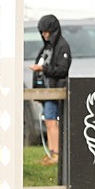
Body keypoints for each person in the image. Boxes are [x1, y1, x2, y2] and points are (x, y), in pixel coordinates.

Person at [30, 15, 71, 166]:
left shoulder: (62, 46)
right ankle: (51, 152)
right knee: (48, 121)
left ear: (53, 31)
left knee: (52, 121)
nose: (44, 35)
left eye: (46, 32)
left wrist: (44, 69)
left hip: (55, 89)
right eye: (42, 32)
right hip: (46, 90)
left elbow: (62, 69)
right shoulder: (47, 47)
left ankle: (56, 154)